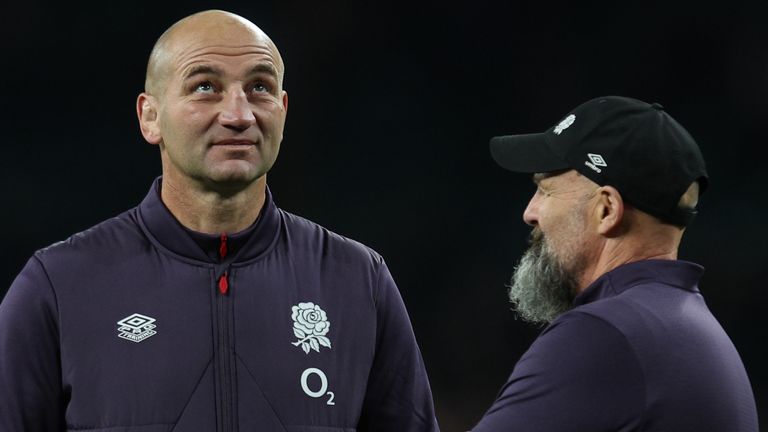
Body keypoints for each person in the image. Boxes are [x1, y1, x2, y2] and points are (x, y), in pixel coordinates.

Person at [0, 10, 439, 431]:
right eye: (206, 86)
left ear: (283, 111)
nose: (239, 115)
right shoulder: (58, 285)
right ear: (149, 116)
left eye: (260, 88)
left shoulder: (357, 280)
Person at [472, 96, 758, 431]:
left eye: (545, 191)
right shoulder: (694, 333)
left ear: (607, 210)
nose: (529, 213)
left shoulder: (605, 335)